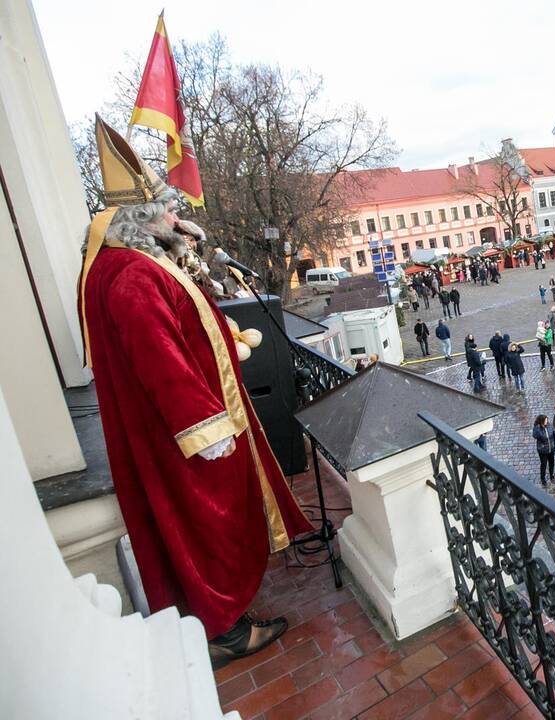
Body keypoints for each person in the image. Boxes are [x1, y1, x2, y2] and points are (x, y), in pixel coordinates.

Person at [80, 121, 313, 666]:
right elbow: (161, 361)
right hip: (186, 436)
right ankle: (222, 630)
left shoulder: (134, 261)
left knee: (201, 528)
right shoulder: (132, 276)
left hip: (173, 430)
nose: (174, 217)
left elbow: (182, 324)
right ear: (140, 220)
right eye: (164, 210)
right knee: (205, 526)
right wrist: (204, 426)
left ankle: (217, 619)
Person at [532, 415, 555, 487]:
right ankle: (543, 478)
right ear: (541, 421)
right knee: (543, 464)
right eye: (545, 420)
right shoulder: (537, 429)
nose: (547, 421)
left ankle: (551, 475)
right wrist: (537, 428)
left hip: (551, 449)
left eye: (547, 420)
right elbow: (535, 436)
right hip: (543, 450)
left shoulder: (550, 426)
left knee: (551, 462)